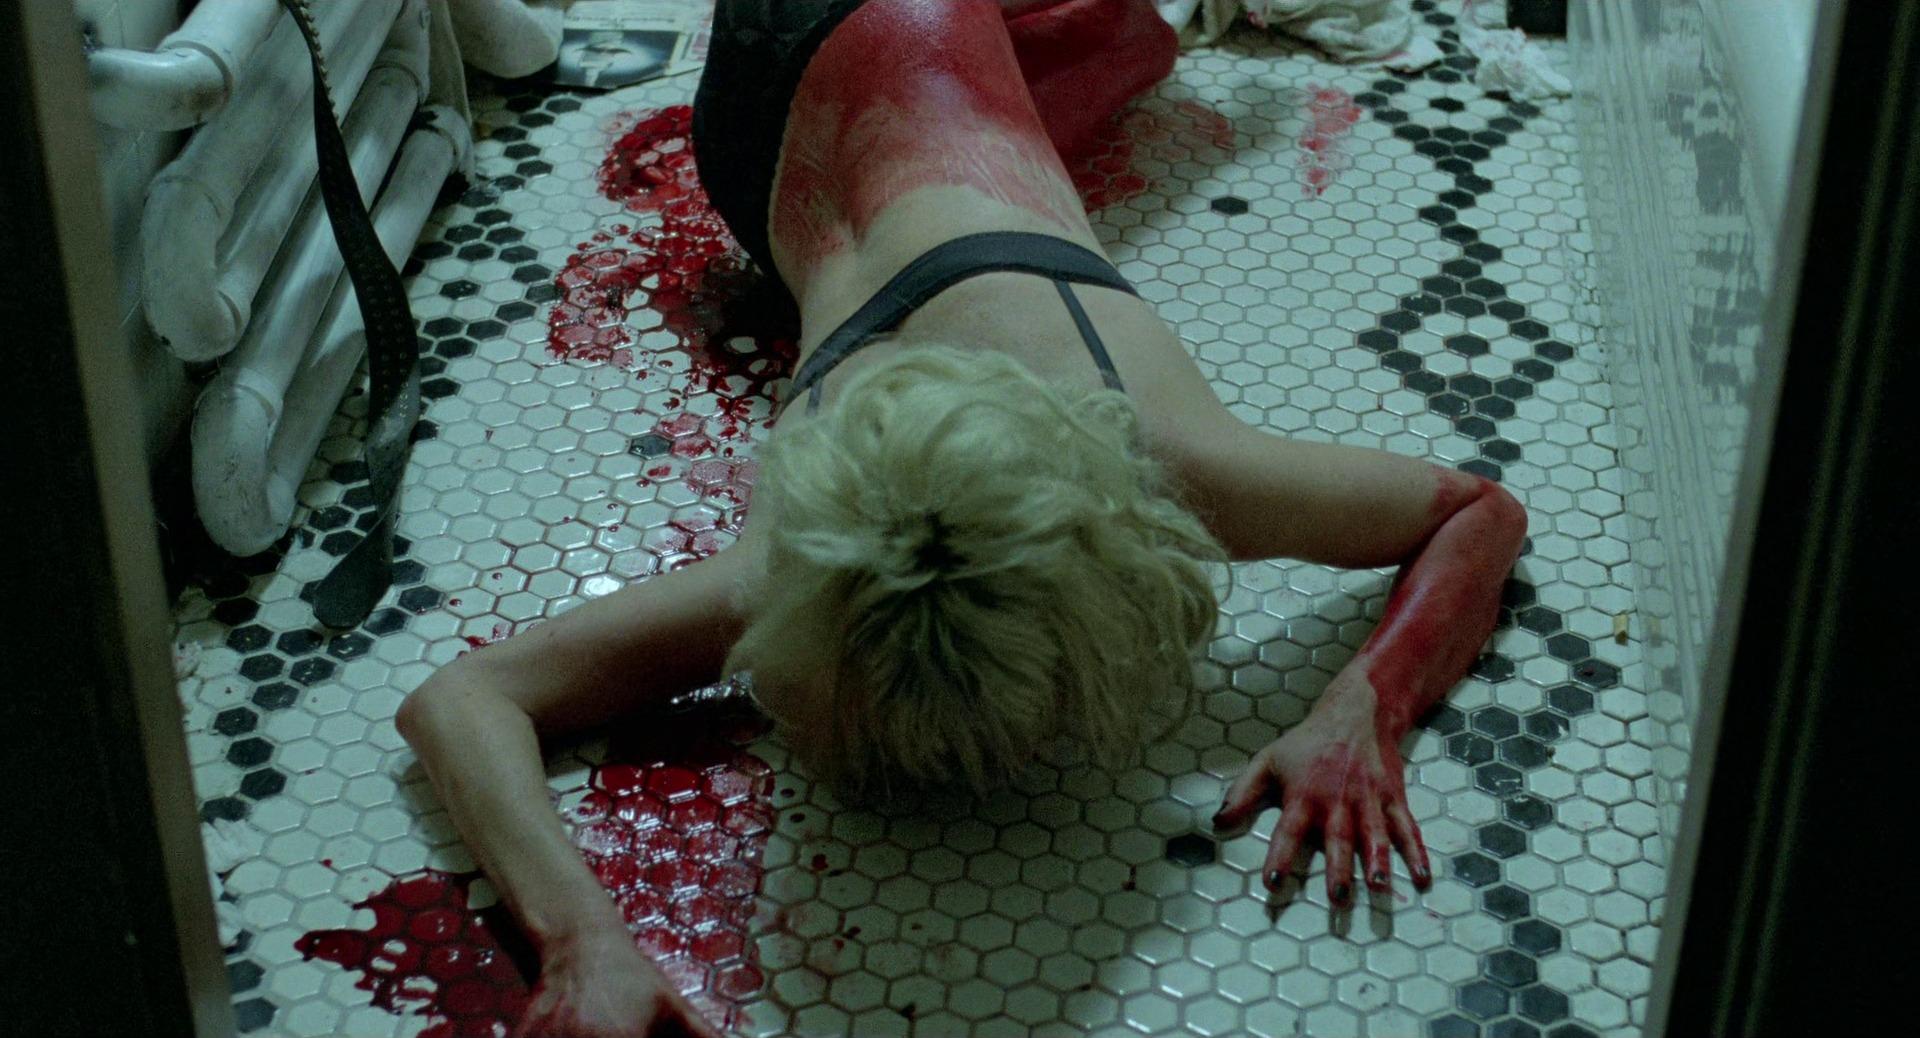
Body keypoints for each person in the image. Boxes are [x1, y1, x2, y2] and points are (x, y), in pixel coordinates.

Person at [397, 0, 1529, 1034]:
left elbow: (1485, 515)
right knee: (1115, 47)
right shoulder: (816, 561)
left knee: (1131, 44)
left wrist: (1368, 707)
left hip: (803, 105)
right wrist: (580, 943)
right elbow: (457, 706)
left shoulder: (1155, 467)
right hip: (820, 92)